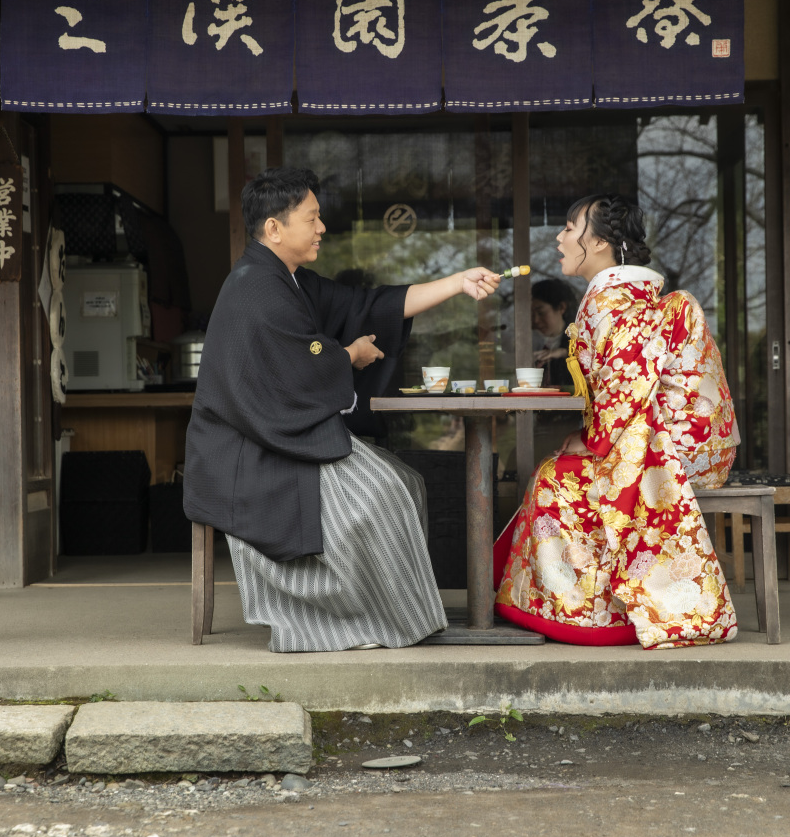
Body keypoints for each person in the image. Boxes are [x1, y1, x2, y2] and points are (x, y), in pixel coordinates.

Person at [183, 166, 501, 653]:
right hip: (246, 451)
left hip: (279, 435)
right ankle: (365, 617)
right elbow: (298, 368)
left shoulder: (289, 281)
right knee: (381, 495)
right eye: (311, 219)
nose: (321, 228)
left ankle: (403, 612)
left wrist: (458, 282)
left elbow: (371, 305)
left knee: (405, 480)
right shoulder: (255, 288)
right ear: (274, 228)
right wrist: (348, 357)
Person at [494, 193, 739, 650]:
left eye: (570, 228)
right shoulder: (626, 295)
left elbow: (626, 388)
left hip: (663, 451)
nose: (560, 237)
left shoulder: (611, 300)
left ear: (602, 242)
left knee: (553, 479)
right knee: (559, 467)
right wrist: (589, 438)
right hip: (675, 440)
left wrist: (592, 443)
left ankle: (592, 614)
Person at [531, 277, 577, 388]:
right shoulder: (530, 340)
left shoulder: (579, 338)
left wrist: (564, 353)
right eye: (531, 314)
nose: (535, 320)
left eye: (541, 313)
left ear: (561, 308)